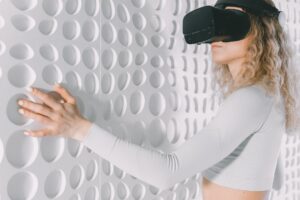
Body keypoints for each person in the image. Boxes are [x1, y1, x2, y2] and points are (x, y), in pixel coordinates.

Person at [16, 0, 300, 199]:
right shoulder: (265, 95)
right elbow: (273, 175)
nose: (217, 34)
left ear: (263, 32)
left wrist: (77, 128)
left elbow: (167, 173)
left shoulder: (249, 99)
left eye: (233, 21)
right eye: (218, 18)